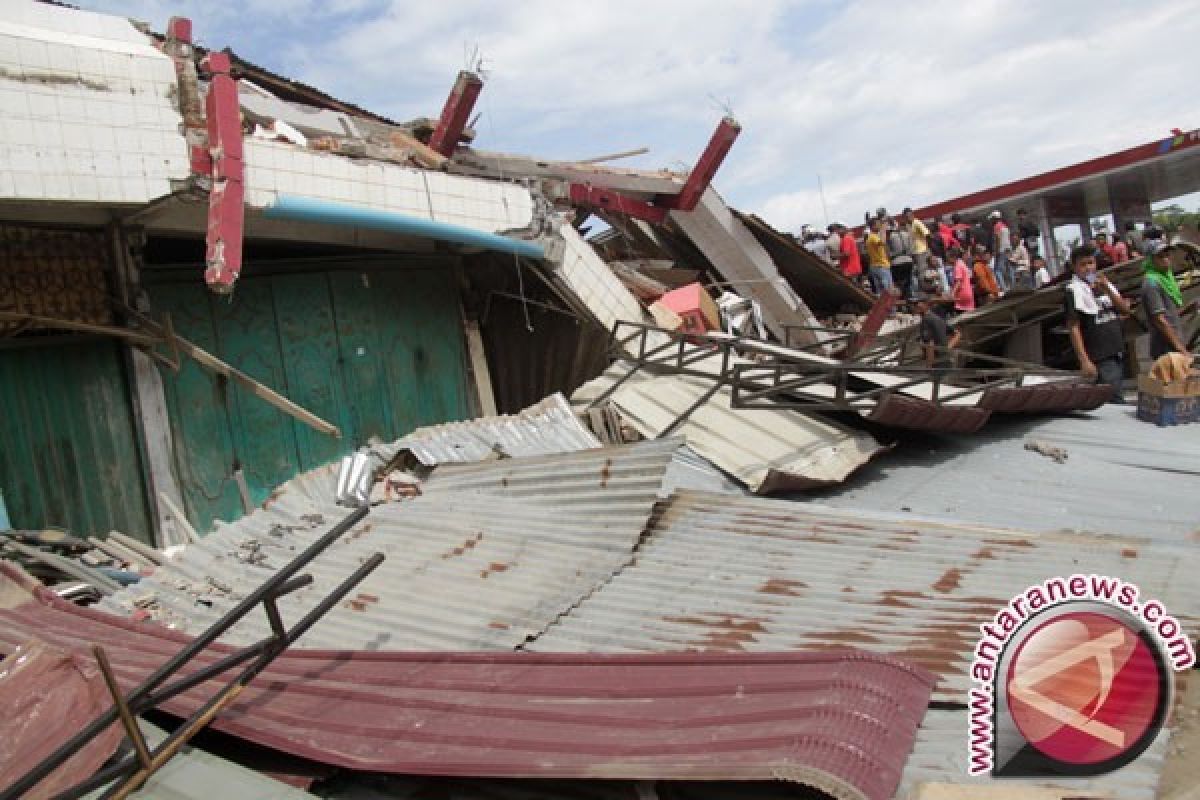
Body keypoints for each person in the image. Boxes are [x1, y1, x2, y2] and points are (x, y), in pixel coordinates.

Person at [1064, 245, 1130, 403]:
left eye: (1091, 263)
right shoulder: (1073, 290)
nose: (1088, 268)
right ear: (1074, 267)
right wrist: (1084, 360)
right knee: (1113, 400)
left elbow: (1125, 310)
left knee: (1115, 394)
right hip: (1100, 355)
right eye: (1083, 264)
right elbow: (1074, 327)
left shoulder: (1104, 284)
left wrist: (1107, 288)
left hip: (1116, 350)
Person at [1141, 241, 1194, 359]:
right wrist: (1181, 348)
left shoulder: (1166, 279)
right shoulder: (1152, 283)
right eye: (1160, 256)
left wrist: (1187, 308)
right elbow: (1160, 320)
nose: (1165, 259)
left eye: (1167, 255)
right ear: (1151, 260)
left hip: (1174, 346)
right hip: (1166, 349)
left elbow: (1168, 314)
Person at [915, 293, 961, 368]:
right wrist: (946, 349)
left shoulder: (926, 320)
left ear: (926, 304)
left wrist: (929, 367)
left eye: (918, 303)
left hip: (938, 364)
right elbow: (957, 334)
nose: (914, 306)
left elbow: (930, 345)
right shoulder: (936, 318)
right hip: (946, 360)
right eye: (913, 303)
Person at [887, 219, 916, 300]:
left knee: (898, 284)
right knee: (908, 283)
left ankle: (900, 300)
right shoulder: (906, 234)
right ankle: (909, 299)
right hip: (908, 261)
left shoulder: (890, 237)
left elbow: (888, 252)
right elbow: (912, 248)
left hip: (896, 262)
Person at [865, 217, 893, 294]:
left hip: (877, 266)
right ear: (873, 226)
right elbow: (882, 242)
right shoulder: (872, 237)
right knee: (888, 290)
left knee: (881, 291)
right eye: (878, 224)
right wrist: (884, 229)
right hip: (881, 266)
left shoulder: (873, 236)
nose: (880, 225)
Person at [990, 211, 1013, 291]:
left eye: (992, 219)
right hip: (1008, 249)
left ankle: (1004, 288)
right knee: (1009, 268)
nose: (991, 221)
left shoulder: (996, 226)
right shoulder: (1005, 226)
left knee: (997, 270)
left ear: (995, 218)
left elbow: (998, 238)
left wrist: (996, 250)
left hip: (1001, 250)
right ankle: (1013, 286)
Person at [948, 245, 974, 315]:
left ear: (953, 257)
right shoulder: (962, 263)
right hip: (968, 292)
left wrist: (952, 294)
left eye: (949, 257)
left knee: (962, 316)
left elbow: (958, 282)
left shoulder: (957, 266)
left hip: (962, 294)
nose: (948, 259)